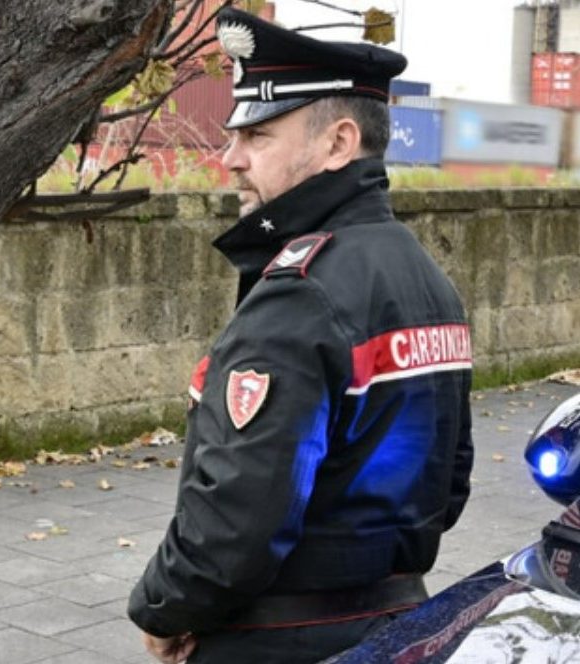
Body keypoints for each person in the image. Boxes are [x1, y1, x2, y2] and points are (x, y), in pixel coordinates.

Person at [127, 7, 474, 663]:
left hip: (276, 639)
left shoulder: (300, 294)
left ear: (339, 143)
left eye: (257, 136)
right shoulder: (427, 278)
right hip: (399, 625)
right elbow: (449, 486)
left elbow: (236, 520)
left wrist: (162, 607)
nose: (229, 159)